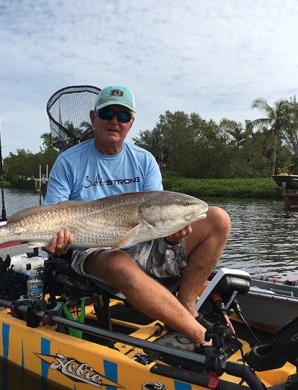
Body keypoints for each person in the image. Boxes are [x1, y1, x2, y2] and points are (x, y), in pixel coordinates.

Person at [44, 85, 231, 349]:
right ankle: (199, 335)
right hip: (90, 250)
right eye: (107, 112)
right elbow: (52, 215)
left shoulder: (144, 161)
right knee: (119, 261)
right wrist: (56, 240)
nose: (114, 121)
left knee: (218, 219)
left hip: (143, 240)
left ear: (131, 122)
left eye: (123, 116)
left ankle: (187, 303)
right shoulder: (68, 161)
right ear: (93, 117)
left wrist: (171, 234)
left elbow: (158, 208)